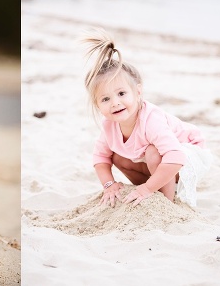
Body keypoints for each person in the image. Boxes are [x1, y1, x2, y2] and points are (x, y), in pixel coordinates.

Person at [82, 27, 212, 208]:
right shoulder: (109, 125)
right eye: (105, 99)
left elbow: (175, 156)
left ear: (138, 92)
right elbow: (100, 158)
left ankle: (167, 203)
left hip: (186, 156)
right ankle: (157, 186)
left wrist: (146, 189)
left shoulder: (151, 120)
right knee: (118, 157)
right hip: (162, 160)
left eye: (121, 93)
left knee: (152, 151)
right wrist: (109, 185)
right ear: (98, 105)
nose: (115, 103)